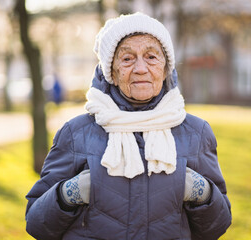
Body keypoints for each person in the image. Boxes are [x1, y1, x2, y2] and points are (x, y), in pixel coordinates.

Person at [25, 12, 232, 240]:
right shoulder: (75, 134)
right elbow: (37, 224)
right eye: (127, 58)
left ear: (165, 69)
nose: (141, 68)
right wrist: (68, 194)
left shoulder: (196, 133)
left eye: (151, 57)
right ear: (111, 71)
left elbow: (217, 226)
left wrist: (201, 192)